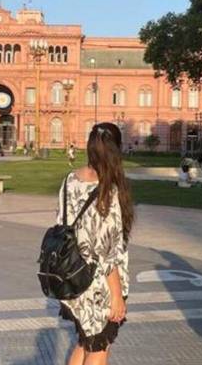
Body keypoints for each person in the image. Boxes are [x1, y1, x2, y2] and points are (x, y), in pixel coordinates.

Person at [57, 123, 134, 365]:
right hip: (99, 284)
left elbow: (61, 224)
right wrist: (117, 295)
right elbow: (107, 251)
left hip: (73, 276)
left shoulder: (70, 180)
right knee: (99, 347)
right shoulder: (107, 191)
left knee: (84, 342)